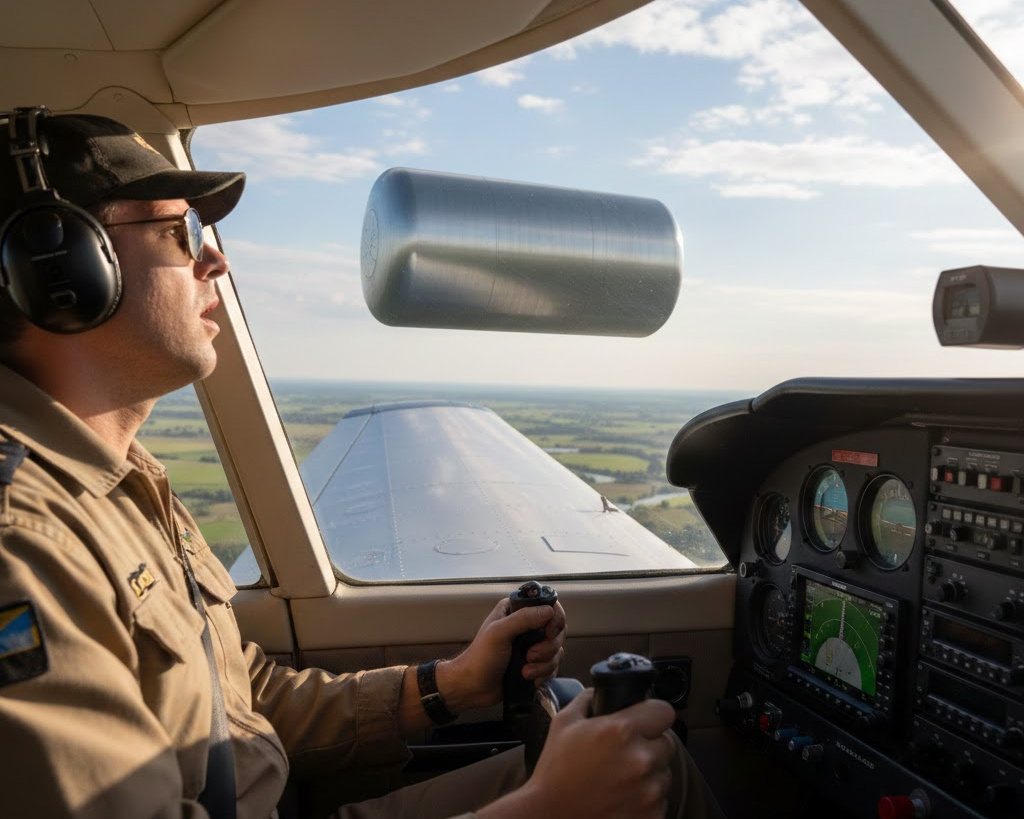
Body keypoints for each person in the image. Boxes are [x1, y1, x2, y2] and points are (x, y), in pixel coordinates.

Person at [0, 111, 725, 819]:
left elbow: (241, 699)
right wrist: (549, 807)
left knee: (648, 759)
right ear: (58, 270)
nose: (215, 259)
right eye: (178, 229)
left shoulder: (120, 482)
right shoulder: (24, 542)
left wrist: (451, 685)